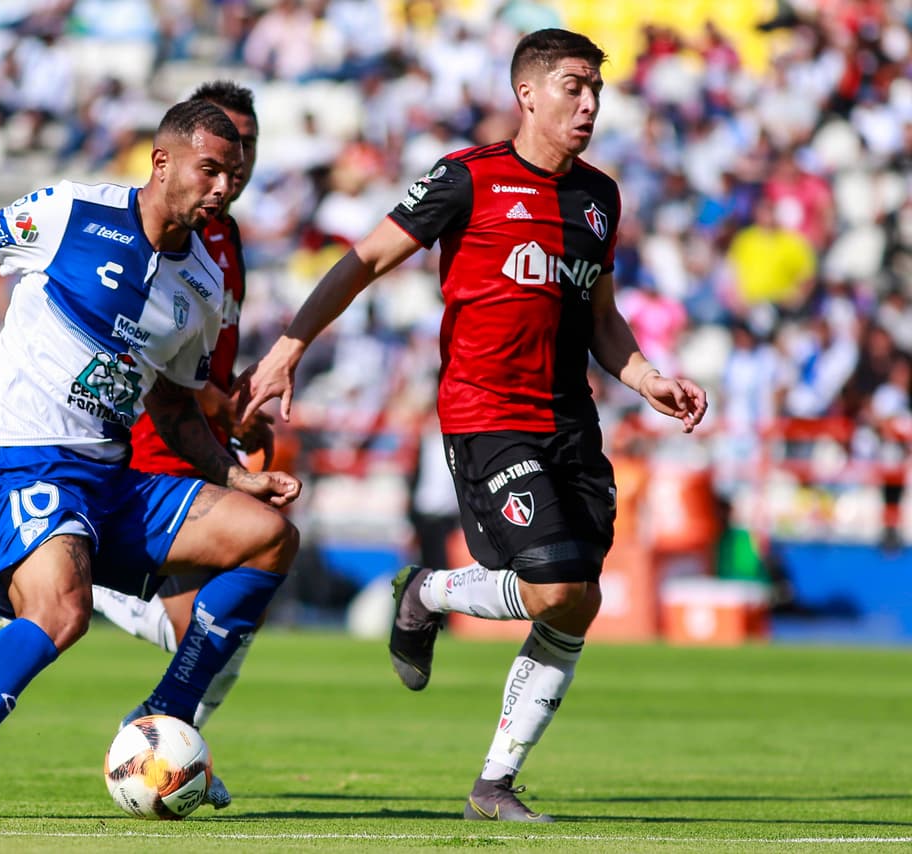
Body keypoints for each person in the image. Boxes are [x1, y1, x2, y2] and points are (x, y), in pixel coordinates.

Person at [240, 29, 707, 823]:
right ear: (527, 93)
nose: (588, 102)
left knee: (577, 601)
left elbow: (602, 317)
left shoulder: (600, 198)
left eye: (596, 88)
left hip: (571, 422)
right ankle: (428, 590)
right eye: (572, 86)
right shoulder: (468, 179)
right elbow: (363, 260)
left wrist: (648, 376)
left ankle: (494, 786)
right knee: (555, 583)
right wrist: (288, 348)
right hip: (487, 416)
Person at [0, 99, 301, 823]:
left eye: (232, 173)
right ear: (161, 162)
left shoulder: (201, 283)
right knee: (60, 613)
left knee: (269, 536)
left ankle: (164, 722)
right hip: (20, 459)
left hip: (108, 476)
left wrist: (236, 476)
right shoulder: (71, 211)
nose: (224, 186)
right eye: (210, 169)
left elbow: (171, 408)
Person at [89, 82, 272, 761]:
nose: (238, 161)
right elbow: (147, 350)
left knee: (230, 619)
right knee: (208, 620)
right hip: (153, 435)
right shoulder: (153, 225)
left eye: (249, 146)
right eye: (225, 147)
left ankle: (169, 740)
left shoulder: (224, 237)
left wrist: (233, 406)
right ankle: (162, 727)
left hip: (203, 429)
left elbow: (202, 350)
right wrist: (210, 408)